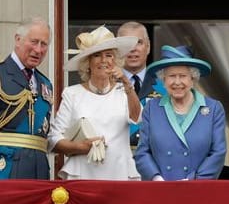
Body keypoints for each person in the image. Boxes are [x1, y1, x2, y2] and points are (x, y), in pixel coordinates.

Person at [48, 26, 142, 180]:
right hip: (83, 175)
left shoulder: (124, 90)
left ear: (115, 60)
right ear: (87, 63)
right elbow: (54, 140)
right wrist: (81, 147)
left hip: (119, 174)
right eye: (97, 55)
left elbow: (137, 117)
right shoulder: (72, 94)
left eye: (109, 55)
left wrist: (126, 83)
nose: (104, 60)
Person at [134, 45, 226, 180]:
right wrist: (156, 178)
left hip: (198, 188)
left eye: (183, 76)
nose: (177, 82)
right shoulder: (152, 108)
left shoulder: (213, 108)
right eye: (171, 76)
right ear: (163, 80)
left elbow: (218, 152)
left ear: (193, 79)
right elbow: (142, 152)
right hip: (160, 189)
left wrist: (194, 180)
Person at [0, 17, 53, 179]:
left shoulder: (45, 83)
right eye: (34, 42)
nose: (38, 50)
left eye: (43, 44)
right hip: (6, 167)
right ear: (18, 40)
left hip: (38, 171)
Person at [116, 21, 159, 150]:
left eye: (138, 42)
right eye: (126, 43)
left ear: (148, 46)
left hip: (154, 163)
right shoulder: (106, 84)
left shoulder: (166, 86)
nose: (133, 48)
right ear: (117, 48)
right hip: (116, 161)